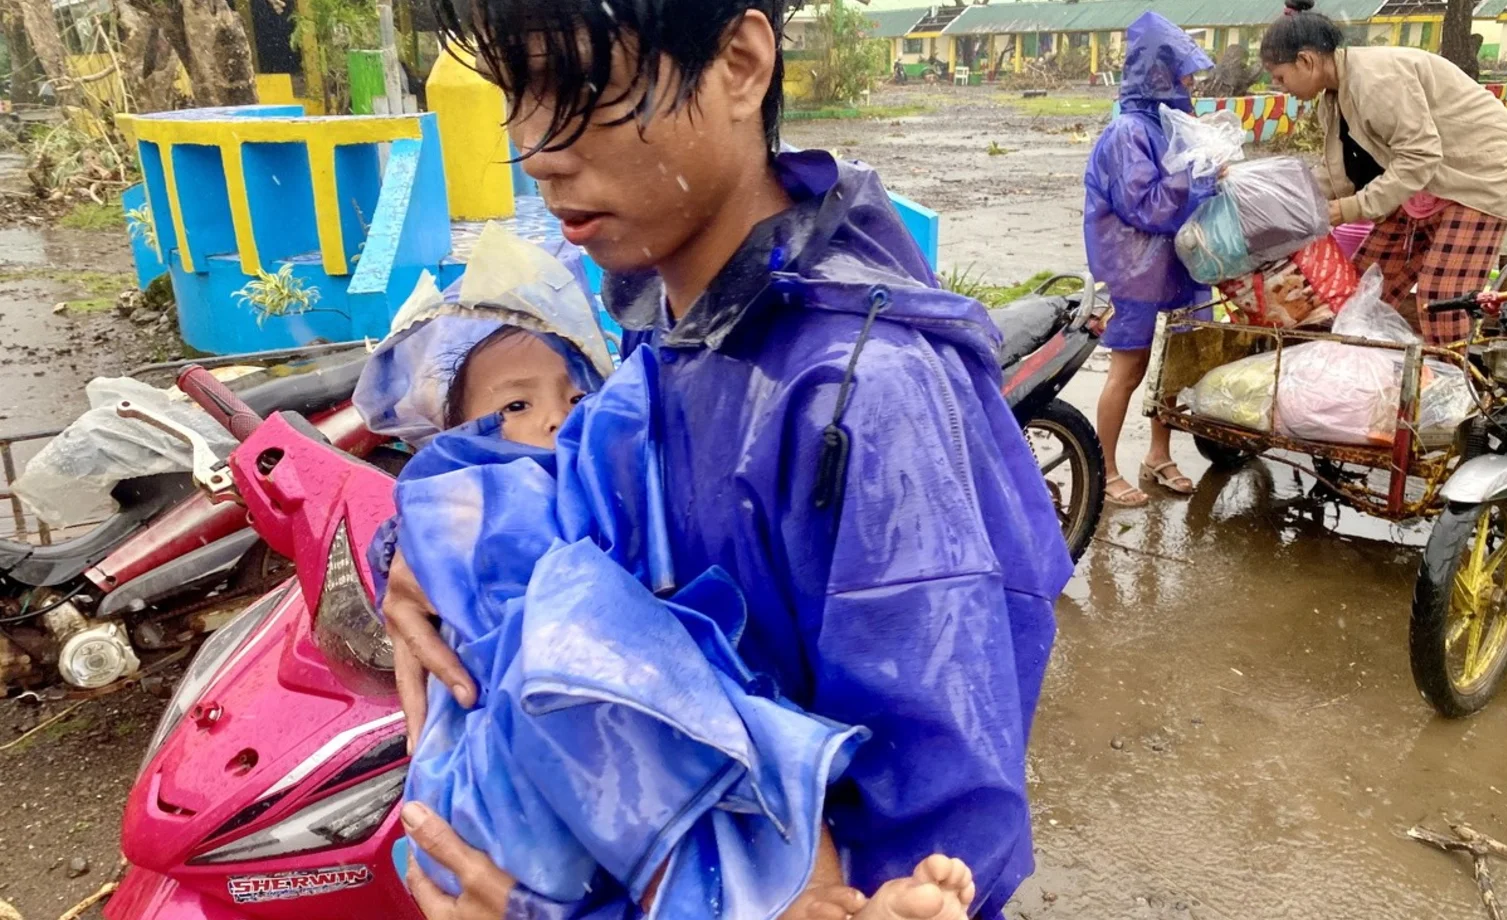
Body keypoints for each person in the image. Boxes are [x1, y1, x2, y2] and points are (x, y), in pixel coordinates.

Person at [380, 1, 1075, 918]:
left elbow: (933, 850)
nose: (534, 147)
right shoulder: (673, 321)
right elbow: (592, 494)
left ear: (740, 64)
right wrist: (429, 554)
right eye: (515, 94)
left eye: (577, 87)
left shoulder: (862, 400)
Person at [1260, 0, 1507, 345]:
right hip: (1426, 182)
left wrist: (1348, 210)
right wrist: (1275, 196)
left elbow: (1419, 157)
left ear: (1306, 61)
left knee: (1441, 299)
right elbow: (1338, 176)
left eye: (1280, 77)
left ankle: (1450, 386)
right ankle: (1357, 373)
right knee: (1362, 287)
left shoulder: (1375, 80)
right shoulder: (1333, 98)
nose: (1280, 86)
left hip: (1479, 173)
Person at [1082, 12, 1215, 508]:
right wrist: (1196, 175)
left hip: (1174, 261)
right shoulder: (1128, 133)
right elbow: (1144, 204)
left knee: (1173, 363)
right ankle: (1106, 468)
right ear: (1158, 73)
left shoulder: (1171, 124)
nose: (1191, 83)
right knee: (1130, 368)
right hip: (1134, 266)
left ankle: (1158, 455)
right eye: (1183, 74)